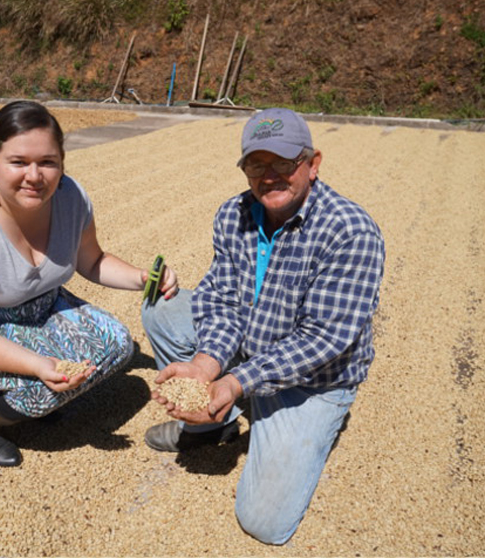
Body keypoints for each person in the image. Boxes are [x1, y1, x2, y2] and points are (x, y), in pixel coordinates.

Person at [141, 108, 384, 544]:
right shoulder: (233, 214)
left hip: (314, 380)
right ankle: (211, 422)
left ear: (313, 164)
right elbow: (219, 299)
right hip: (251, 350)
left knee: (264, 522)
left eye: (284, 163)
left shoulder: (350, 232)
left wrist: (235, 382)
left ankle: (246, 407)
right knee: (160, 310)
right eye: (257, 164)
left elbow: (323, 338)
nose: (269, 176)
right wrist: (205, 365)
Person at [0, 100, 177, 468]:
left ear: (62, 162)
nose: (35, 176)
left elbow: (92, 260)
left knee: (116, 344)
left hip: (38, 303)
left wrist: (143, 279)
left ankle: (20, 396)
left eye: (47, 162)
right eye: (18, 162)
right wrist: (38, 364)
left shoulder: (71, 198)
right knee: (43, 386)